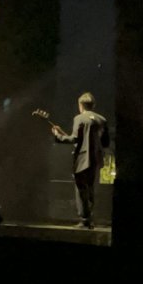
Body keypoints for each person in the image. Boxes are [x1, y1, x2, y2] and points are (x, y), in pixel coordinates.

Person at [52, 92, 110, 229]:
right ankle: (89, 219)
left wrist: (58, 135)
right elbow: (105, 142)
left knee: (81, 190)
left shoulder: (79, 118)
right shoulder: (102, 119)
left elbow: (74, 139)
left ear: (80, 105)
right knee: (90, 188)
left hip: (82, 159)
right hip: (96, 159)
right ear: (93, 105)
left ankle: (84, 219)